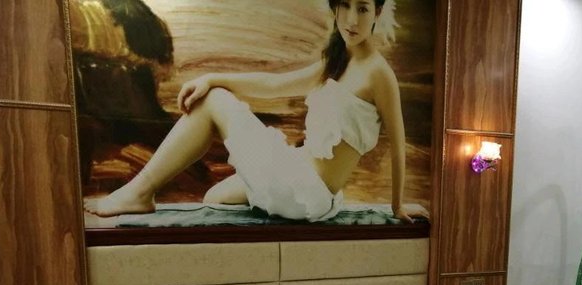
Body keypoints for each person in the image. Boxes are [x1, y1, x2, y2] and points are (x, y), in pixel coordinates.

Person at [84, 0, 429, 224]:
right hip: (298, 172)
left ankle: (140, 192)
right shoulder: (338, 62)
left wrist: (397, 206)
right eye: (345, 6)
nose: (352, 19)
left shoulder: (378, 73)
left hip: (307, 190)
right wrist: (213, 76)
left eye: (363, 8)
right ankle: (142, 192)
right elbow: (274, 85)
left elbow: (399, 142)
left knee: (213, 101)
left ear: (377, 13)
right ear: (335, 8)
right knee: (214, 198)